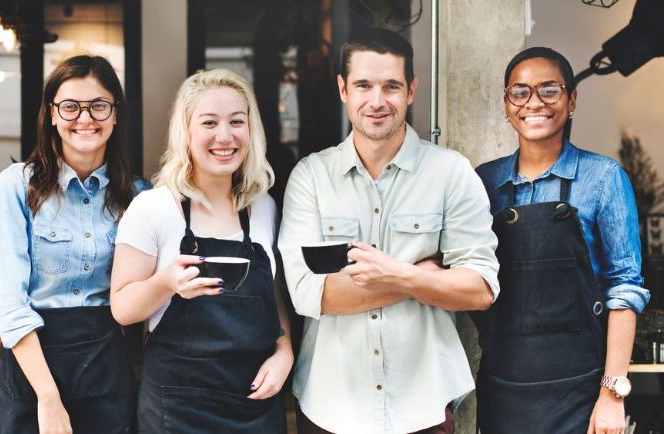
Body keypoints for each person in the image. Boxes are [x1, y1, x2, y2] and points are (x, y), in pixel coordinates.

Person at [278, 28, 500, 434]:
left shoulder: (451, 173)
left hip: (423, 406)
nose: (377, 101)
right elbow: (308, 293)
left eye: (391, 86)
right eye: (363, 85)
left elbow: (480, 289)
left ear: (412, 90)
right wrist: (423, 277)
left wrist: (397, 275)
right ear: (343, 89)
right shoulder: (310, 177)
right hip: (331, 405)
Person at [474, 47, 649, 434]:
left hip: (582, 389)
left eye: (549, 90)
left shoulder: (603, 178)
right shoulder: (484, 183)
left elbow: (624, 289)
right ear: (507, 105)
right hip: (503, 387)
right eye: (519, 92)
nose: (533, 102)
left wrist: (612, 395)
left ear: (571, 100)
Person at [110, 68, 293, 433]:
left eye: (236, 122)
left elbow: (271, 293)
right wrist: (166, 282)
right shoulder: (154, 208)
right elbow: (122, 309)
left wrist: (284, 351)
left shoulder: (263, 206)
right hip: (177, 408)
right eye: (209, 123)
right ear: (187, 132)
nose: (224, 136)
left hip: (253, 403)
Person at [0, 55, 150, 434]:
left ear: (115, 114)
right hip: (31, 375)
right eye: (70, 106)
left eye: (98, 106)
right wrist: (48, 396)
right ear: (53, 115)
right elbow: (9, 303)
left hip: (107, 372)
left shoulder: (141, 196)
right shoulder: (15, 187)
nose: (85, 118)